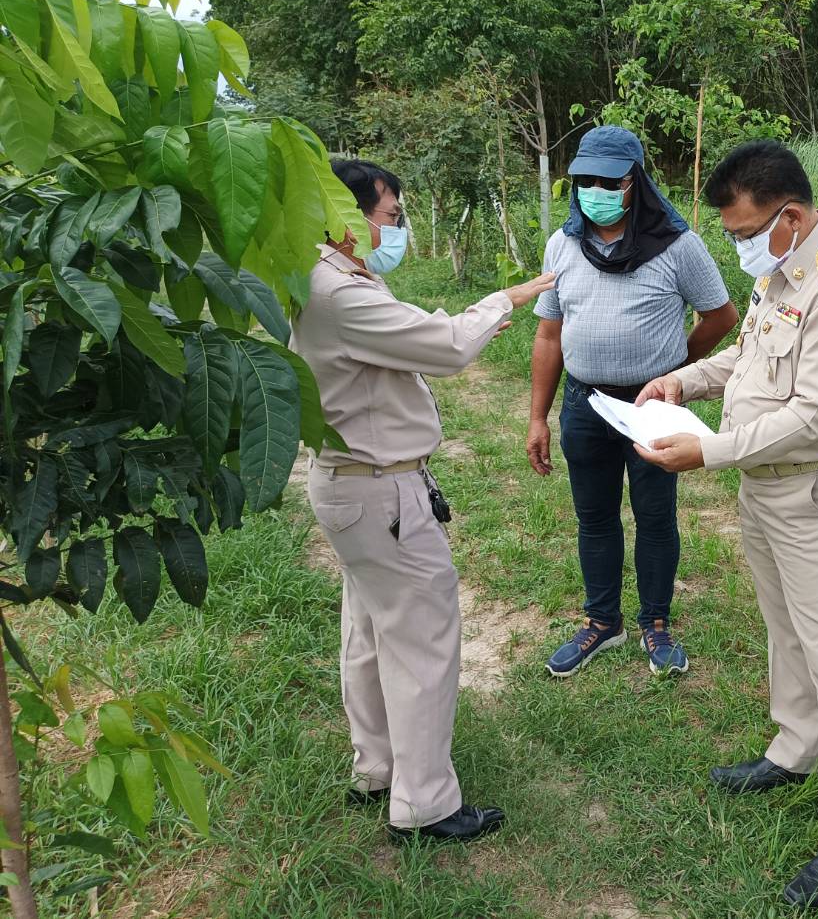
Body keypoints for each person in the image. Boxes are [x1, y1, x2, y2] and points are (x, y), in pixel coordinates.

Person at [635, 140, 818, 909]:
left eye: (745, 232)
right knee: (785, 628)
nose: (738, 245)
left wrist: (707, 449)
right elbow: (747, 357)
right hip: (763, 487)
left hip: (811, 489)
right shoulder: (780, 271)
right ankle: (793, 748)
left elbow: (812, 417)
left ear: (790, 216)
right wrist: (682, 378)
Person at [292, 159, 553, 843]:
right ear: (345, 218)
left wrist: (472, 320)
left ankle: (376, 768)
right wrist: (507, 298)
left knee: (370, 630)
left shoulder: (323, 277)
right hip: (379, 489)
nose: (395, 229)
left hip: (351, 485)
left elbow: (405, 332)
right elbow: (440, 345)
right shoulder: (336, 292)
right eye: (390, 217)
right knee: (421, 641)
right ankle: (425, 805)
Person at [527, 126, 737, 678]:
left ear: (635, 182)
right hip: (584, 404)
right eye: (584, 181)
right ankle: (602, 623)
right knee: (594, 518)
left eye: (609, 181)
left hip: (650, 410)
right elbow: (549, 335)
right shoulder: (562, 245)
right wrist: (537, 417)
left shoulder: (677, 245)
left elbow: (720, 316)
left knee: (654, 516)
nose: (595, 191)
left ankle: (656, 624)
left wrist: (675, 371)